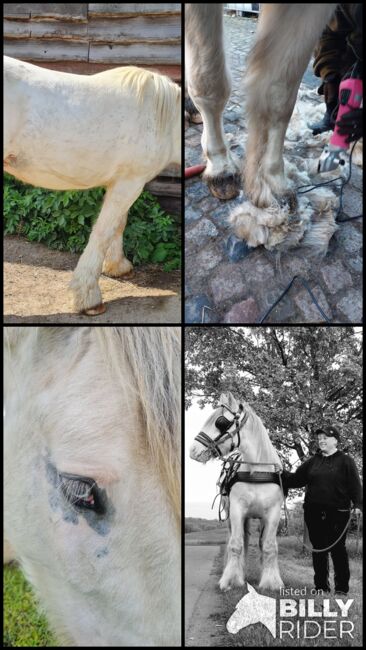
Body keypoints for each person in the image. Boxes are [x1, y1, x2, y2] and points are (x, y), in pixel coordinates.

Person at [282, 426, 362, 595]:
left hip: (338, 513)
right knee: (318, 549)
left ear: (335, 440)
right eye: (319, 438)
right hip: (313, 512)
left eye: (325, 437)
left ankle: (341, 590)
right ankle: (321, 588)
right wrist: (280, 474)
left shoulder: (346, 461)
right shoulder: (313, 461)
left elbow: (356, 486)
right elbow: (296, 479)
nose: (321, 440)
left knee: (338, 550)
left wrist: (359, 505)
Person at [310, 4, 363, 140]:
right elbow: (329, 34)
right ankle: (332, 112)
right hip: (355, 49)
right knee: (340, 79)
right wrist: (329, 75)